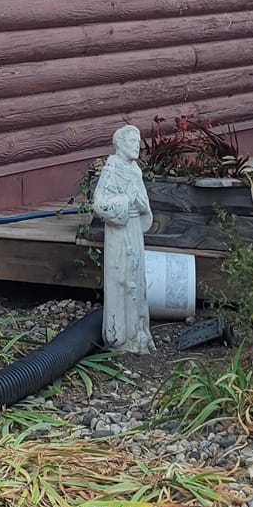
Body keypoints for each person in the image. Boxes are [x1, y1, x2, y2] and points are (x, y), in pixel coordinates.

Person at [90, 123, 154, 353]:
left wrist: (138, 203)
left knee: (137, 276)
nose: (137, 146)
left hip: (134, 228)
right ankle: (121, 337)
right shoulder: (112, 171)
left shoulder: (134, 170)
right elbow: (99, 203)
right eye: (131, 142)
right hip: (120, 233)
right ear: (120, 145)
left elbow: (143, 201)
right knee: (122, 280)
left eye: (138, 142)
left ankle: (139, 334)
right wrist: (126, 201)